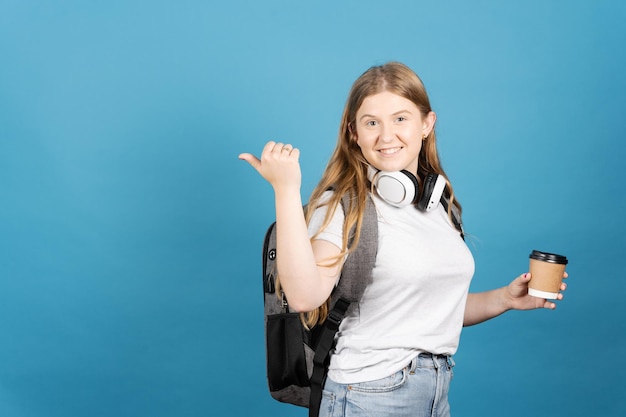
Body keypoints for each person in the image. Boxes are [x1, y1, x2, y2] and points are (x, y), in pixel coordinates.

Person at [238, 62, 567, 417]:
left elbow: (427, 311)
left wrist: (504, 299)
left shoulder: (436, 204)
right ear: (354, 133)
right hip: (369, 395)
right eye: (371, 122)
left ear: (427, 124)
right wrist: (286, 190)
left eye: (400, 119)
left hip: (434, 396)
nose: (386, 135)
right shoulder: (344, 206)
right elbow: (304, 296)